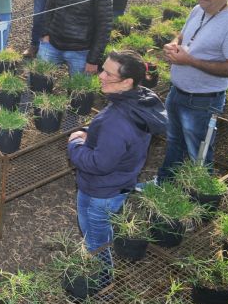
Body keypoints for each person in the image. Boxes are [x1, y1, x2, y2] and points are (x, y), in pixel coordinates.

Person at [68, 50, 167, 272]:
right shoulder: (139, 99)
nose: (101, 76)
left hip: (101, 191)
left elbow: (99, 163)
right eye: (103, 69)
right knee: (102, 229)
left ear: (127, 81)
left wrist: (75, 144)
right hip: (120, 183)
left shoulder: (117, 121)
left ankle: (103, 279)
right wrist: (89, 131)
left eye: (109, 74)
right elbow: (113, 135)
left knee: (96, 242)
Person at [158, 0, 228, 181]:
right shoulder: (198, 9)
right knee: (174, 142)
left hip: (202, 101)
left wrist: (189, 60)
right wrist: (173, 45)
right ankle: (164, 184)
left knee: (198, 153)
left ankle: (197, 195)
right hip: (177, 91)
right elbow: (183, 36)